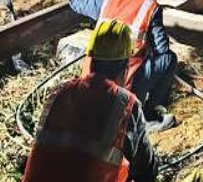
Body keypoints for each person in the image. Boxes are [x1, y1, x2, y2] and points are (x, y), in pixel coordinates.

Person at [22, 20, 159, 182]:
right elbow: (145, 169)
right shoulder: (126, 104)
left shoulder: (59, 93)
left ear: (92, 61)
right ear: (125, 67)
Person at [67, 0, 178, 132]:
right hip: (124, 82)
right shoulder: (152, 8)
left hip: (90, 78)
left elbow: (77, 2)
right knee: (169, 59)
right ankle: (147, 114)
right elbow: (162, 49)